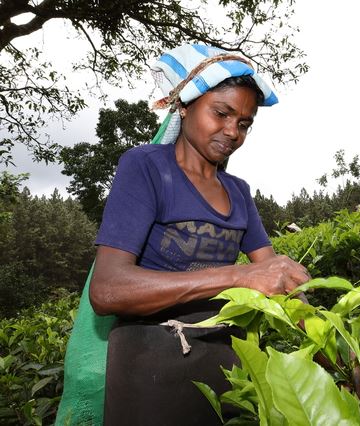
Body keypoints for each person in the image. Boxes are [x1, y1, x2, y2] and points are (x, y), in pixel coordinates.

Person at [88, 44, 310, 425]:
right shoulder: (145, 168)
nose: (232, 132)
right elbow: (108, 289)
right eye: (221, 113)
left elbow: (277, 278)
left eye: (244, 123)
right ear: (185, 106)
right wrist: (238, 275)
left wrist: (337, 354)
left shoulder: (238, 190)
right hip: (149, 369)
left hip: (225, 366)